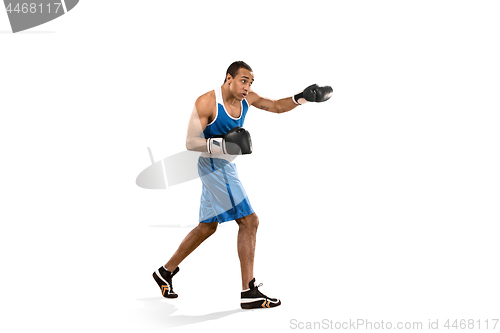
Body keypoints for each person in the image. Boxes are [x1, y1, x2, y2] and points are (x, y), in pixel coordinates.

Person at [153, 61, 332, 309]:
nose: (247, 86)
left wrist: (302, 97)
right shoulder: (207, 102)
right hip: (215, 166)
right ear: (229, 78)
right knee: (250, 221)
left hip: (224, 166)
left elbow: (277, 106)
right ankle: (249, 291)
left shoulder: (247, 100)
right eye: (243, 80)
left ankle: (165, 271)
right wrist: (223, 145)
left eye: (251, 82)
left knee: (207, 227)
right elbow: (190, 142)